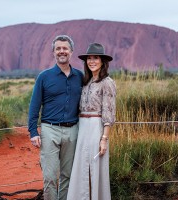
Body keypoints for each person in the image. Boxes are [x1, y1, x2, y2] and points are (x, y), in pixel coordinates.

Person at [28, 35, 83, 200]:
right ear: (53, 52)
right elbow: (34, 106)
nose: (62, 51)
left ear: (71, 52)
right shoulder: (44, 77)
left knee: (68, 175)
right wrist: (33, 131)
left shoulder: (80, 76)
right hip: (49, 130)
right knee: (50, 176)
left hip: (72, 130)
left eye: (65, 48)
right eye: (58, 48)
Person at [67, 43, 116, 200]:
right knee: (81, 166)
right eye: (89, 58)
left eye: (96, 58)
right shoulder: (86, 82)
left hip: (96, 127)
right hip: (82, 127)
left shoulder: (107, 82)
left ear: (102, 61)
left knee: (95, 167)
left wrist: (104, 139)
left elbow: (108, 112)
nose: (92, 61)